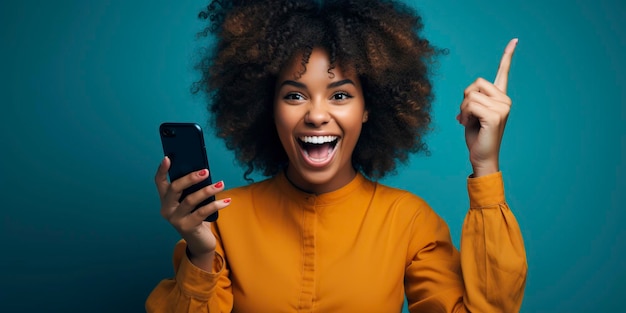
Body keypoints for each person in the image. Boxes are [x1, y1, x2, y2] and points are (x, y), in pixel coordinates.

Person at [146, 0, 527, 312]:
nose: (315, 114)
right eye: (294, 95)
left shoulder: (409, 222)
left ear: (368, 107)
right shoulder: (221, 221)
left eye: (340, 95)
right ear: (269, 108)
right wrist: (199, 251)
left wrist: (485, 168)